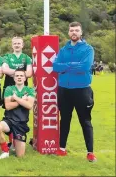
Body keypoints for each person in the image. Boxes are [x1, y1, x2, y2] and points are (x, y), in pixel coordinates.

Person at [52, 21, 97, 162]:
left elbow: (84, 67)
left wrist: (65, 67)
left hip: (82, 90)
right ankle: (62, 149)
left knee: (85, 121)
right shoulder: (63, 49)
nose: (74, 33)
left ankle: (90, 152)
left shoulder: (88, 49)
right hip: (64, 90)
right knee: (64, 120)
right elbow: (55, 67)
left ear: (81, 32)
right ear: (68, 32)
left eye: (77, 30)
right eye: (72, 30)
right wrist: (71, 65)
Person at [0, 68, 35, 159]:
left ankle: (14, 143)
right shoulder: (9, 89)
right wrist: (22, 100)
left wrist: (15, 98)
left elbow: (29, 105)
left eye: (21, 76)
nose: (19, 77)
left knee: (20, 156)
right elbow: (8, 106)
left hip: (21, 123)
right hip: (9, 120)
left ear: (25, 78)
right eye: (17, 76)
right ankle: (5, 151)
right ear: (14, 78)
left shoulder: (30, 90)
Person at [1, 36, 33, 147]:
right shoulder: (7, 57)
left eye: (19, 43)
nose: (17, 45)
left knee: (22, 112)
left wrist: (13, 72)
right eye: (15, 43)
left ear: (22, 45)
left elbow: (29, 73)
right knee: (9, 113)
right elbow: (4, 69)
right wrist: (20, 73)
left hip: (23, 89)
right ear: (12, 45)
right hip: (9, 87)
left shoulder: (26, 58)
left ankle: (19, 137)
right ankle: (11, 142)